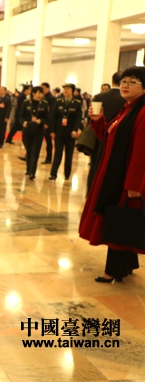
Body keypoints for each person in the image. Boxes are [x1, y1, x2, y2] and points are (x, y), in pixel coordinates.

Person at [79, 66, 145, 283]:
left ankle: (113, 270)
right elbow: (109, 139)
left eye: (132, 82)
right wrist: (98, 120)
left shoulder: (143, 112)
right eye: (124, 81)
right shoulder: (127, 108)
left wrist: (134, 183)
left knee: (121, 220)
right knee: (124, 219)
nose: (125, 85)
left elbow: (141, 152)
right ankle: (127, 265)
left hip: (128, 178)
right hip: (115, 172)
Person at [87, 72, 125, 192]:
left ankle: (90, 191)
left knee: (95, 165)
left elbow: (91, 117)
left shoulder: (99, 97)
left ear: (112, 81)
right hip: (116, 139)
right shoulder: (125, 99)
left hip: (98, 135)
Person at [48, 83, 82, 181]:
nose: (66, 90)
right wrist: (52, 130)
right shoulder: (58, 101)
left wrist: (75, 130)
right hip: (59, 132)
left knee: (69, 154)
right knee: (57, 153)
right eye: (64, 89)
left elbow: (78, 118)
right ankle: (53, 174)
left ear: (73, 91)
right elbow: (53, 117)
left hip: (70, 133)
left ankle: (67, 174)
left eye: (68, 89)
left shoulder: (77, 103)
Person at [19, 86, 49, 180]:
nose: (40, 95)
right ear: (33, 93)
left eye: (41, 93)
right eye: (38, 93)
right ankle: (28, 169)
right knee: (29, 150)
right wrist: (23, 122)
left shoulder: (44, 104)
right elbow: (20, 115)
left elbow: (47, 118)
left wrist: (41, 120)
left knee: (35, 151)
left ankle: (32, 172)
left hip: (38, 131)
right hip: (27, 130)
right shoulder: (26, 102)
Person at [41, 82, 56, 164]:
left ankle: (49, 158)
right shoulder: (42, 97)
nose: (42, 90)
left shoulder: (51, 98)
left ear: (48, 88)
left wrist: (47, 123)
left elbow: (52, 112)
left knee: (48, 141)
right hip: (42, 121)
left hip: (48, 123)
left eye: (43, 88)